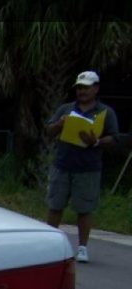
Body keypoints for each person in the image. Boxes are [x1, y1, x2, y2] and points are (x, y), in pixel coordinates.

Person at [45, 71, 119, 263]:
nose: (82, 91)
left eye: (86, 87)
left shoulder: (105, 112)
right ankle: (49, 243)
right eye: (79, 87)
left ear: (96, 88)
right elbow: (49, 131)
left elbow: (114, 138)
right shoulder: (66, 109)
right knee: (55, 205)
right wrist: (60, 125)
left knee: (84, 209)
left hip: (88, 168)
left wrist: (97, 141)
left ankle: (83, 247)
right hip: (62, 164)